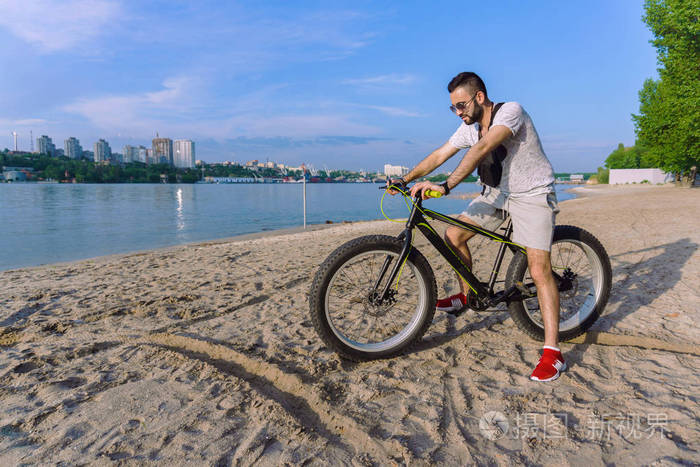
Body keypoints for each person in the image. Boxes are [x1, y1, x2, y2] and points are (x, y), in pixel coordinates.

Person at [390, 71, 565, 382]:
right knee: (453, 234)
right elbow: (440, 154)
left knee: (539, 270)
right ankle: (466, 295)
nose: (459, 113)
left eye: (461, 106)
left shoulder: (510, 112)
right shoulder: (468, 127)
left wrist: (445, 186)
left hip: (532, 193)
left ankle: (553, 353)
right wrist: (405, 180)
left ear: (479, 98)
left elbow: (481, 150)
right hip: (497, 194)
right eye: (453, 108)